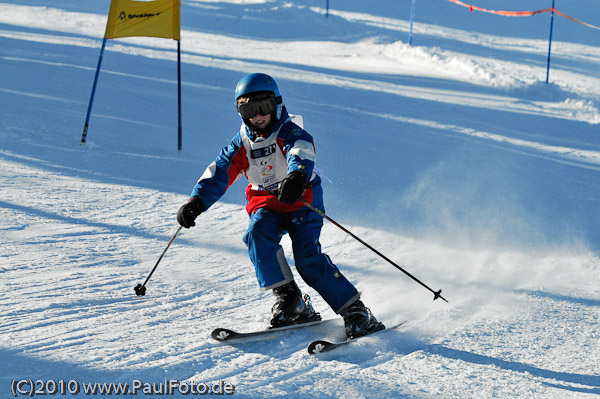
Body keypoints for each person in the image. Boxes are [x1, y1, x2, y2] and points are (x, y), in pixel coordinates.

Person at [177, 73, 384, 339]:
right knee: (257, 234)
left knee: (307, 259)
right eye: (248, 109)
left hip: (300, 201)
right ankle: (290, 299)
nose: (257, 116)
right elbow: (219, 172)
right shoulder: (241, 142)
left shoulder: (290, 131)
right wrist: (197, 201)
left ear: (276, 104)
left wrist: (296, 176)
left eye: (263, 106)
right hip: (266, 204)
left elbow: (301, 152)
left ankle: (355, 311)